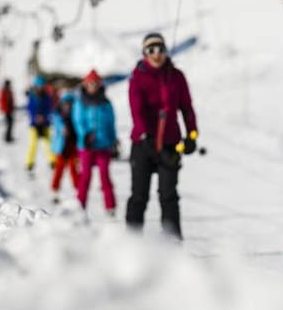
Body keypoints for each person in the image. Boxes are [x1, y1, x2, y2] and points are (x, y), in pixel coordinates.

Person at [125, 33, 198, 239]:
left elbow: (187, 108)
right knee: (139, 196)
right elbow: (136, 110)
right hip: (143, 144)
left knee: (168, 196)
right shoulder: (137, 77)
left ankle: (173, 245)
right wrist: (146, 137)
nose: (156, 54)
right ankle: (131, 244)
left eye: (160, 49)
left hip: (170, 144)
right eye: (151, 50)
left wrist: (192, 134)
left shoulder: (176, 76)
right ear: (144, 53)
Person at [73, 70, 118, 216]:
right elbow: (78, 121)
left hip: (103, 145)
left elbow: (111, 123)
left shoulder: (106, 103)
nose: (92, 86)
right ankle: (80, 206)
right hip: (86, 146)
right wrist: (84, 135)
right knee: (85, 176)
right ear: (85, 85)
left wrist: (113, 141)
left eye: (95, 83)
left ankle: (110, 207)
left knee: (105, 176)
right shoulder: (80, 102)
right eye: (90, 83)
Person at [50, 93, 80, 203]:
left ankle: (78, 191)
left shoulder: (76, 115)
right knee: (59, 170)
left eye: (70, 104)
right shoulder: (57, 116)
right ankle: (55, 191)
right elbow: (57, 125)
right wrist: (63, 128)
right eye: (65, 104)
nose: (68, 106)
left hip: (73, 147)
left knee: (74, 170)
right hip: (61, 148)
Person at [25, 75, 56, 174]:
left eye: (42, 86)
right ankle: (30, 162)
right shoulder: (32, 96)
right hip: (34, 125)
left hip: (45, 124)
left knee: (48, 142)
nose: (41, 87)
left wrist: (44, 116)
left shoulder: (47, 96)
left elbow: (49, 108)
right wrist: (35, 117)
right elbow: (29, 109)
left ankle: (52, 160)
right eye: (39, 85)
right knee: (33, 143)